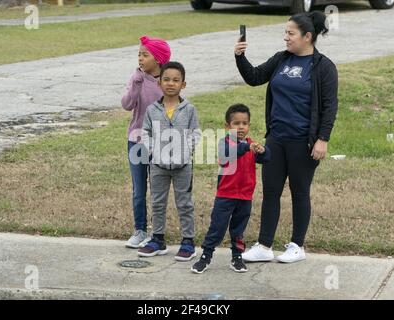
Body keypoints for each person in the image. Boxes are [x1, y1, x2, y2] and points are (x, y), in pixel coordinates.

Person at [234, 11, 338, 263]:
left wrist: (322, 139)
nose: (286, 38)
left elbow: (329, 106)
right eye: (286, 32)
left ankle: (297, 246)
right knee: (271, 191)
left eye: (291, 33)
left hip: (304, 141)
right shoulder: (282, 59)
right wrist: (240, 56)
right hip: (276, 139)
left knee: (299, 191)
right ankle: (265, 245)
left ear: (308, 36)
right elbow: (255, 77)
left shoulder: (323, 67)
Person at [191, 104, 271, 274]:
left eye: (245, 123)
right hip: (226, 195)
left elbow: (267, 159)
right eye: (236, 123)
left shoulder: (251, 144)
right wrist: (245, 148)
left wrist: (263, 151)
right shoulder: (224, 143)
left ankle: (237, 257)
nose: (241, 127)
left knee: (238, 230)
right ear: (227, 126)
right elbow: (227, 155)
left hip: (244, 196)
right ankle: (205, 257)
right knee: (217, 228)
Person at [138, 61, 201, 261]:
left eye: (175, 80)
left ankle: (188, 241)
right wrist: (153, 152)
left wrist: (186, 151)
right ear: (159, 83)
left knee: (185, 204)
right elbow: (145, 132)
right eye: (166, 79)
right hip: (158, 166)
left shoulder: (189, 109)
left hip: (183, 167)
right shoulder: (152, 110)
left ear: (183, 84)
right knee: (157, 202)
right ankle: (157, 239)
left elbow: (195, 133)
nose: (170, 83)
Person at [121, 35, 171, 249]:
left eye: (145, 54)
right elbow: (126, 104)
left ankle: (157, 232)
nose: (140, 59)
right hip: (136, 141)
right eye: (139, 54)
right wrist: (136, 84)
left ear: (158, 59)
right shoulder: (137, 78)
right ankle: (139, 229)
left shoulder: (167, 81)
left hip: (160, 143)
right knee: (139, 189)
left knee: (158, 189)